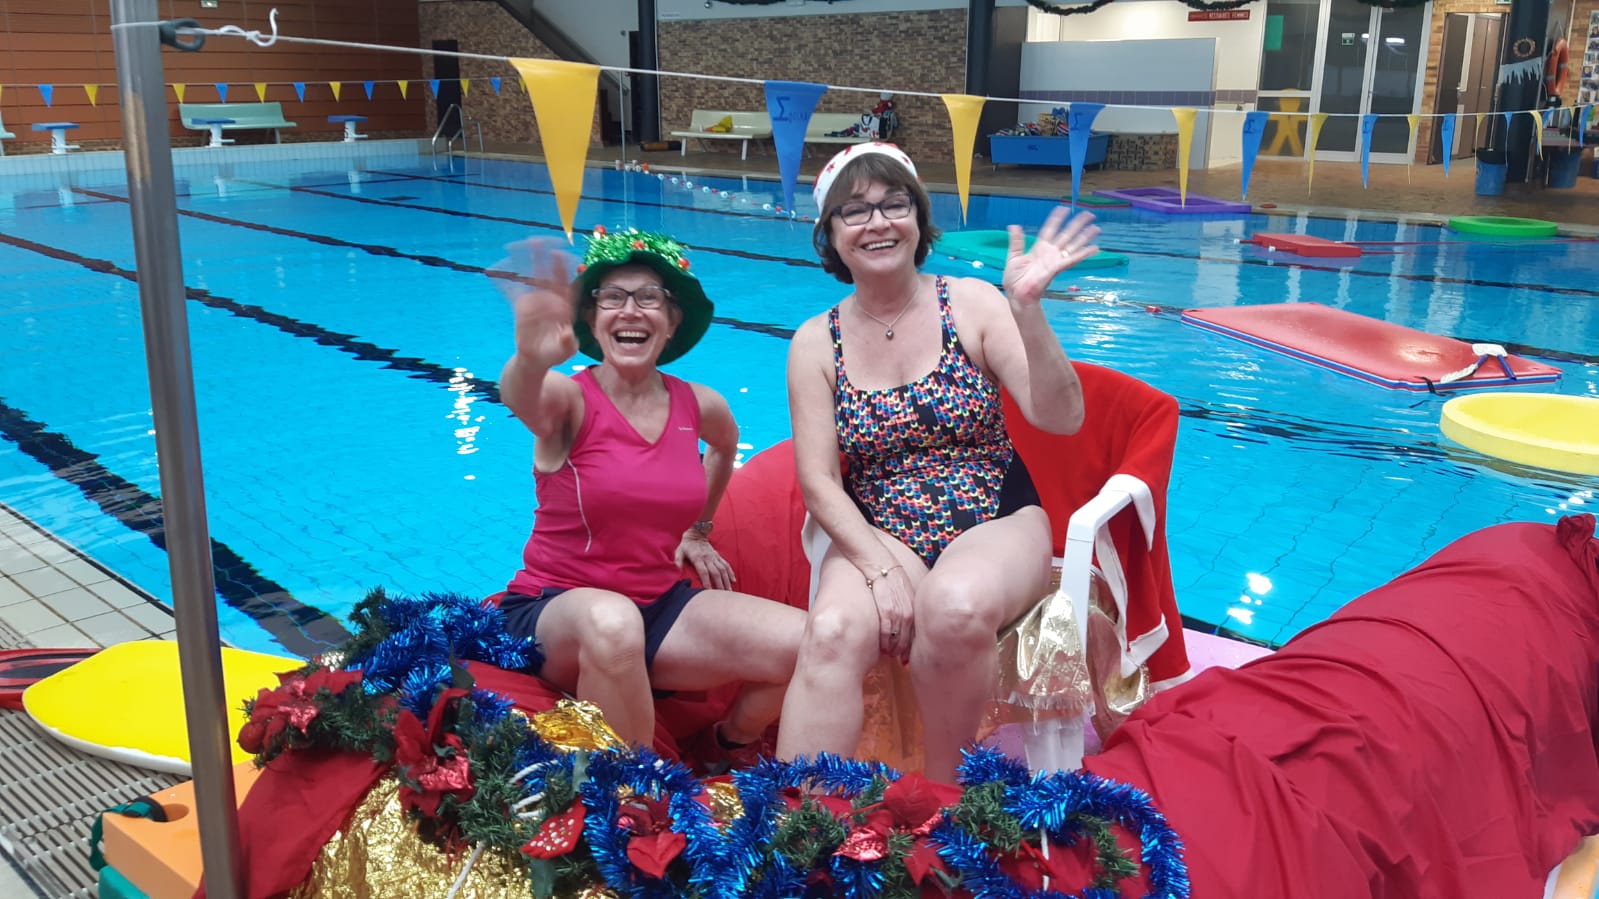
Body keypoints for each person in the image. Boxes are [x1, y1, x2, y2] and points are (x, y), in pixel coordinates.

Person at [776, 142, 1103, 781]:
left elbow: (1062, 417)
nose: (877, 223)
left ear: (919, 218)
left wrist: (1028, 311)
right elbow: (818, 481)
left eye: (894, 204)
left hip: (993, 515)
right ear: (831, 235)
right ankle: (794, 817)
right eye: (854, 211)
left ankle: (944, 795)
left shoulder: (972, 303)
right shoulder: (816, 342)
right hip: (882, 530)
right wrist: (878, 570)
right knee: (833, 630)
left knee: (953, 608)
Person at [492, 227, 804, 757]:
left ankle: (726, 744)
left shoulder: (699, 404)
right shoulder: (569, 401)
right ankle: (636, 798)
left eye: (649, 297)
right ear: (593, 320)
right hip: (554, 609)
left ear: (672, 321)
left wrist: (698, 530)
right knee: (612, 622)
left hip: (657, 607)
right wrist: (530, 360)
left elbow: (725, 447)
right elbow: (521, 397)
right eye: (612, 297)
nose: (631, 310)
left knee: (808, 642)